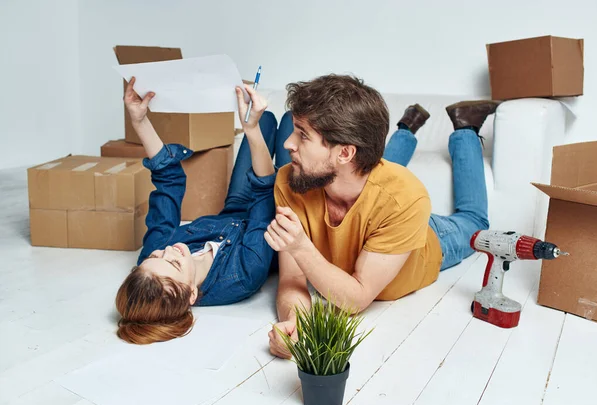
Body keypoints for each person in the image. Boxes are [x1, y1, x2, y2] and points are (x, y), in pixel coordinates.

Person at [265, 74, 498, 358]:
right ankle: (406, 127)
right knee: (373, 175)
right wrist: (295, 322)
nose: (288, 144)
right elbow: (292, 278)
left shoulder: (406, 198)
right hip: (374, 199)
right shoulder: (294, 179)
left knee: (475, 221)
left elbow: (356, 299)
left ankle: (466, 130)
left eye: (302, 134)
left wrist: (301, 246)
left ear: (345, 152)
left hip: (431, 239)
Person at [115, 77, 292, 345]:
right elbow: (265, 196)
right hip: (274, 206)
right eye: (173, 262)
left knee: (263, 120)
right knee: (292, 122)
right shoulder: (243, 275)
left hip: (236, 205)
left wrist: (139, 121)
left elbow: (168, 182)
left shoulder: (155, 261)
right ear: (191, 296)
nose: (168, 249)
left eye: (155, 254)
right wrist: (250, 131)